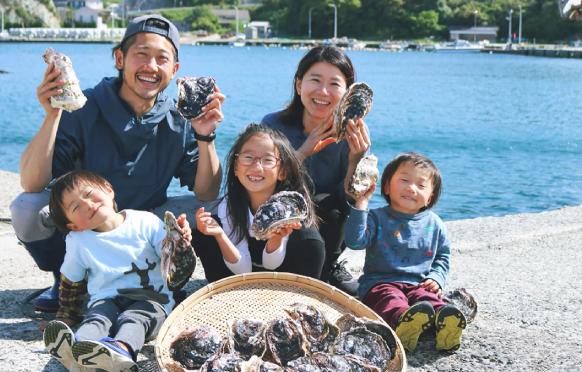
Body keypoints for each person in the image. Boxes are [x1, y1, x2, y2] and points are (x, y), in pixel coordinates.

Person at [10, 14, 224, 312]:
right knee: (26, 208)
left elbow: (207, 192)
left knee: (220, 209)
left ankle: (166, 276)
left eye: (162, 59)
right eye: (141, 55)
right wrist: (52, 115)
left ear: (174, 70)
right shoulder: (85, 106)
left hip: (147, 224)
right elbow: (31, 184)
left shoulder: (181, 117)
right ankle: (67, 278)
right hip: (90, 218)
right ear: (120, 58)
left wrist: (206, 135)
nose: (151, 66)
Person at [38, 170, 192, 372]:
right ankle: (77, 348)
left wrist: (179, 240)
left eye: (89, 194)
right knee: (97, 317)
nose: (88, 204)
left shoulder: (145, 222)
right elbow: (70, 283)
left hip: (151, 300)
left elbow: (169, 256)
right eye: (76, 207)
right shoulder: (78, 241)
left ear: (109, 190)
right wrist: (66, 317)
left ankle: (121, 351)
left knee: (134, 319)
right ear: (73, 226)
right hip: (106, 298)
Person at [260, 44, 371, 297]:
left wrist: (357, 159)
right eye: (315, 80)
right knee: (305, 192)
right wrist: (304, 151)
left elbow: (352, 201)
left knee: (332, 203)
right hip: (279, 223)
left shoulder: (351, 134)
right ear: (299, 85)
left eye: (334, 84)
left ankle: (328, 267)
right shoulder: (272, 125)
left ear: (347, 93)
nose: (323, 91)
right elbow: (257, 184)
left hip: (328, 228)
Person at [345, 152, 466, 352]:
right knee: (390, 299)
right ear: (386, 187)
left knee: (429, 300)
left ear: (430, 197)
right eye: (404, 180)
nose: (411, 188)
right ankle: (403, 322)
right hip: (380, 283)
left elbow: (442, 256)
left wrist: (436, 277)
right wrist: (361, 204)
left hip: (418, 284)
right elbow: (355, 242)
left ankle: (445, 322)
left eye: (421, 185)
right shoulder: (376, 217)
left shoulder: (435, 224)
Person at [192, 123, 325, 281]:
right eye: (248, 157)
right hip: (241, 276)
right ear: (235, 167)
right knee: (206, 234)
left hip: (286, 276)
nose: (256, 166)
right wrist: (220, 235)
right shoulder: (229, 205)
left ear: (282, 172)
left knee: (308, 237)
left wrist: (276, 237)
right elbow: (243, 268)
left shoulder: (287, 209)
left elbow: (271, 265)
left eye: (267, 160)